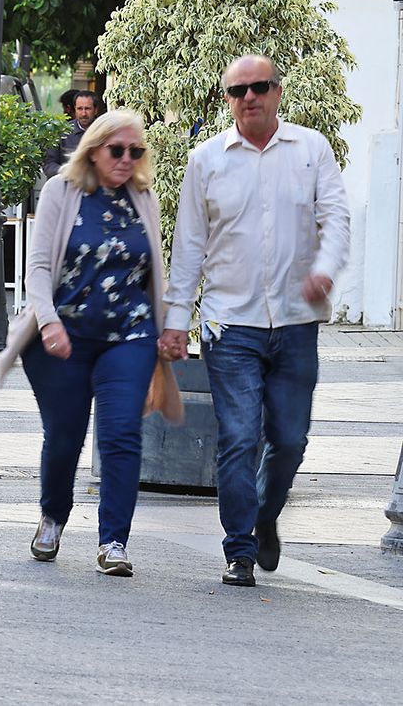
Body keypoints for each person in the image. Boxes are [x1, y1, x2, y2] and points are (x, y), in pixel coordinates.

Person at [160, 55, 349, 588]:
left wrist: (325, 269)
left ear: (277, 92)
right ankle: (239, 548)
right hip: (230, 324)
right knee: (240, 437)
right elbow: (190, 245)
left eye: (260, 86)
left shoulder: (311, 150)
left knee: (289, 439)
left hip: (295, 321)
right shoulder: (207, 160)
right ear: (227, 99)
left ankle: (265, 515)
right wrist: (177, 320)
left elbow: (335, 217)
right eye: (238, 90)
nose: (250, 97)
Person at [2, 110, 171, 577]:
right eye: (117, 150)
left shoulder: (143, 196)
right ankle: (53, 516)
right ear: (93, 149)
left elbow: (155, 269)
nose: (126, 159)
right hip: (66, 335)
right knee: (65, 437)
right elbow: (37, 267)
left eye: (136, 151)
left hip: (131, 335)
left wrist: (169, 327)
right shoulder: (62, 190)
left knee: (121, 434)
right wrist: (49, 321)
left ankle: (113, 541)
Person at [42, 91, 100, 178]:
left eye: (87, 109)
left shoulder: (105, 131)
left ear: (95, 110)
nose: (83, 113)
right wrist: (65, 171)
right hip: (67, 185)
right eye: (80, 109)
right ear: (75, 109)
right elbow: (48, 164)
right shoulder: (62, 131)